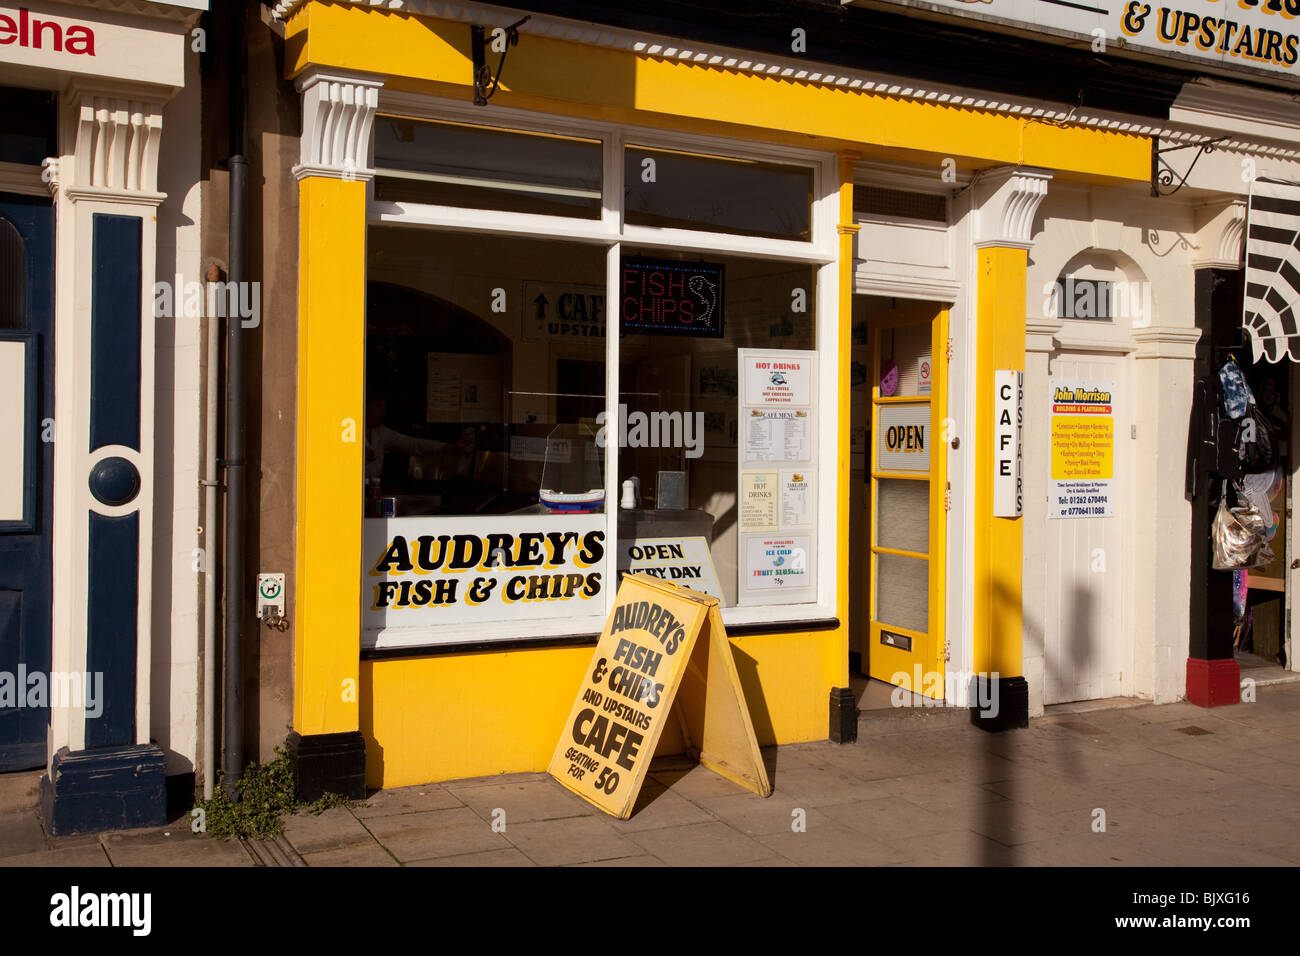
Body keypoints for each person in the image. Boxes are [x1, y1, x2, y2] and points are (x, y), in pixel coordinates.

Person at [365, 397, 472, 482]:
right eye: (378, 406)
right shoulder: (350, 432)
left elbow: (412, 444)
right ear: (363, 406)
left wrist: (450, 447)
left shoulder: (380, 432)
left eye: (384, 406)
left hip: (371, 490)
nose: (383, 412)